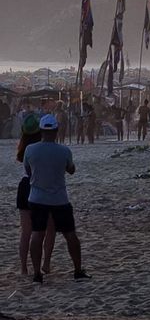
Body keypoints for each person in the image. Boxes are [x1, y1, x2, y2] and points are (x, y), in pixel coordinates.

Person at [24, 114, 89, 284]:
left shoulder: (30, 150)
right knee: (70, 235)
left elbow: (28, 171)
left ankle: (37, 273)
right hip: (59, 199)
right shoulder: (64, 151)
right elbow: (71, 170)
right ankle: (77, 270)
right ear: (56, 130)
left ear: (41, 130)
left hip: (37, 197)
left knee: (37, 234)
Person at [16, 114, 55, 277]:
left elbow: (26, 169)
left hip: (24, 186)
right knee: (50, 227)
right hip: (42, 186)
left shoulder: (23, 148)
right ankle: (46, 262)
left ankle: (24, 268)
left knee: (26, 231)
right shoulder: (43, 146)